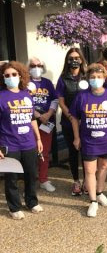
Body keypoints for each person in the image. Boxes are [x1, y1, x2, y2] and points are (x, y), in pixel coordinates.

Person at [70, 63, 107, 217]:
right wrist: (76, 137)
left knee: (104, 166)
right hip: (88, 140)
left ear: (105, 78)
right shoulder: (82, 96)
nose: (96, 79)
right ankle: (92, 201)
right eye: (92, 77)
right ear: (88, 78)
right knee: (89, 170)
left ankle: (99, 193)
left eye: (99, 77)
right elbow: (74, 118)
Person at [0, 61, 44, 219]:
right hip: (9, 144)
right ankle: (14, 207)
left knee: (31, 175)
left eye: (14, 74)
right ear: (3, 78)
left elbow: (32, 118)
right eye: (7, 75)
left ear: (20, 75)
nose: (11, 77)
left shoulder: (26, 94)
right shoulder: (1, 97)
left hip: (29, 143)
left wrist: (38, 138)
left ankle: (31, 202)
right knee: (11, 178)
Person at [56, 48, 88, 196]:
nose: (74, 60)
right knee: (73, 152)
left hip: (87, 122)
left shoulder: (87, 77)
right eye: (71, 58)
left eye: (76, 57)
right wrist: (71, 116)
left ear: (81, 59)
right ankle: (76, 181)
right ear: (67, 61)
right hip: (68, 122)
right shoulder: (63, 78)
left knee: (87, 152)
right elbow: (61, 101)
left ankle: (88, 180)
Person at [28, 57, 58, 192]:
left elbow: (55, 99)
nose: (36, 68)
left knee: (44, 152)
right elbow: (22, 101)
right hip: (29, 123)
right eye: (33, 65)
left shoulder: (47, 83)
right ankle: (30, 180)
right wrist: (38, 115)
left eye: (39, 65)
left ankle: (44, 179)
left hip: (47, 123)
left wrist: (48, 114)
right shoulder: (25, 82)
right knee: (30, 153)